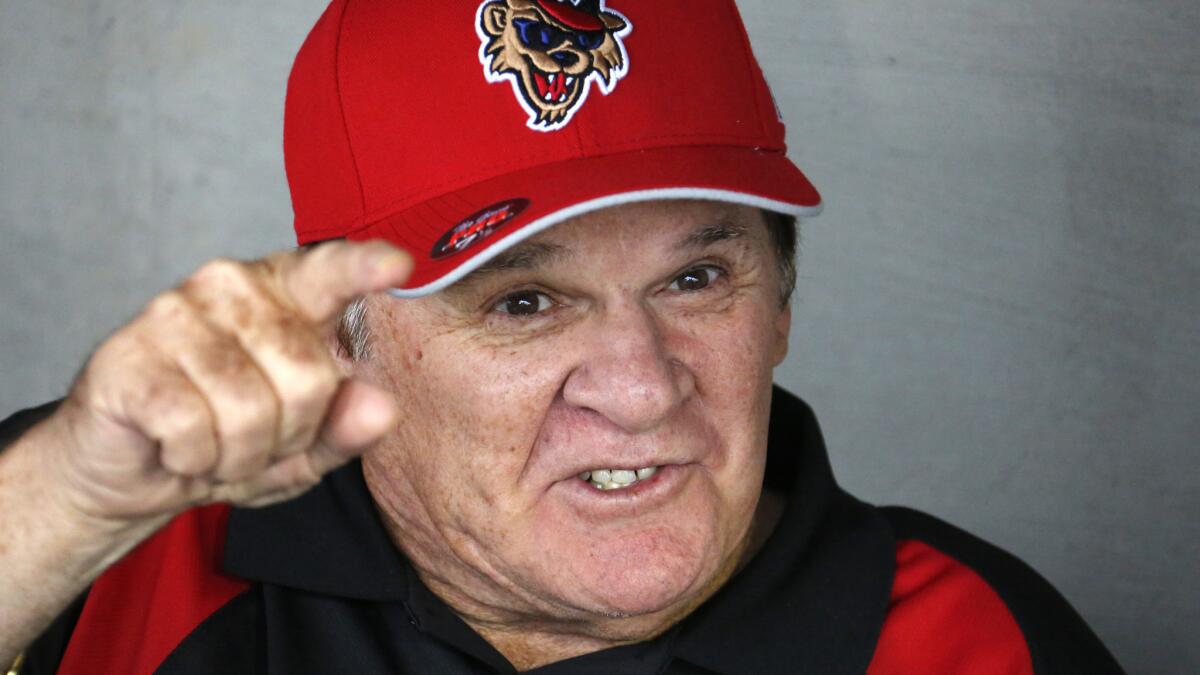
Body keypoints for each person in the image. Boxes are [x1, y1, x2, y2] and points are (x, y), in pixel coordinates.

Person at [0, 0, 1124, 673]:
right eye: (523, 302)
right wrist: (66, 502)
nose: (640, 388)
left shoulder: (976, 640)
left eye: (696, 277)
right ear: (345, 335)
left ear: (782, 302)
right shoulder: (113, 548)